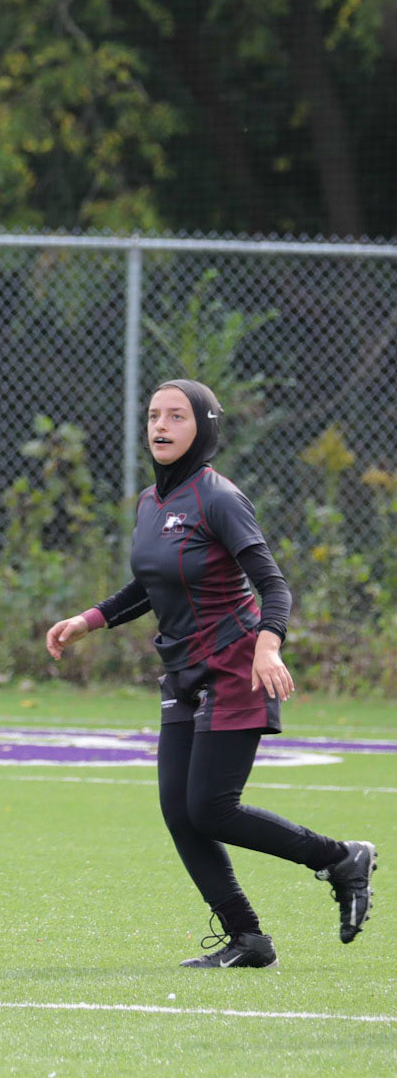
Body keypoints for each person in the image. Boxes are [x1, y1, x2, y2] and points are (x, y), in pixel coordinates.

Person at [45, 379, 377, 968]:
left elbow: (274, 585)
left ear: (204, 425)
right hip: (182, 672)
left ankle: (340, 858)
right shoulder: (151, 502)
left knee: (212, 808)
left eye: (177, 415)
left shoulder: (218, 497)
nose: (160, 426)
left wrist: (268, 646)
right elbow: (151, 584)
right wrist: (89, 619)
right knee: (180, 811)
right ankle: (248, 940)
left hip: (234, 666)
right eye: (153, 415)